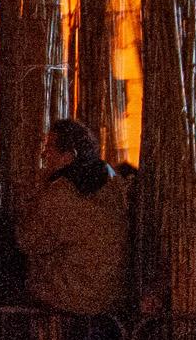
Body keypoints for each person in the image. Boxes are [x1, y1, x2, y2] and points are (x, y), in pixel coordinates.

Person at [17, 119, 129, 316]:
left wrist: (37, 192)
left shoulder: (61, 192)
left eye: (50, 148)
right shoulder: (112, 180)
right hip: (116, 290)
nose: (45, 154)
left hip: (76, 293)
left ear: (69, 155)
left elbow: (28, 241)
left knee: (13, 281)